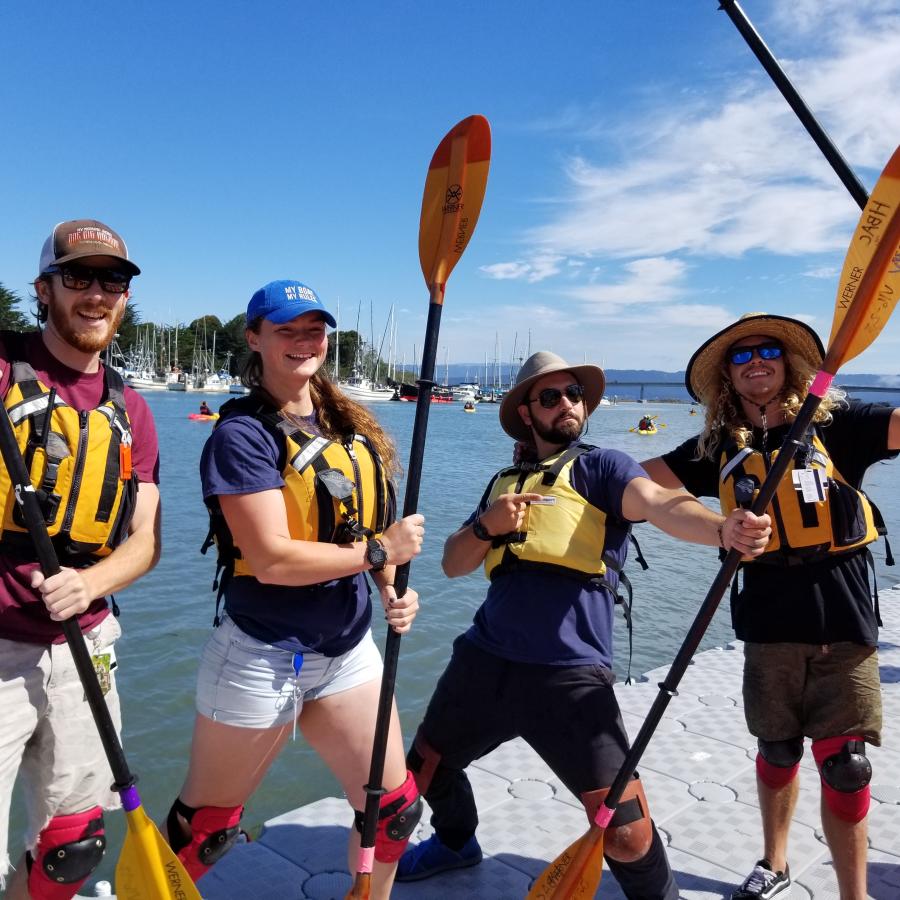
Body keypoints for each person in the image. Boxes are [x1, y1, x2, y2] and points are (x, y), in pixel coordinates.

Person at [396, 351, 771, 898]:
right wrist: (487, 523)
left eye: (575, 394)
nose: (567, 403)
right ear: (527, 413)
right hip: (484, 660)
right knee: (424, 768)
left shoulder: (604, 467)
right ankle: (457, 843)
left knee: (626, 833)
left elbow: (661, 502)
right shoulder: (504, 482)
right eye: (550, 396)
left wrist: (721, 529)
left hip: (568, 677)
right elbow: (454, 564)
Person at [165, 280, 425, 900]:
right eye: (286, 329)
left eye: (314, 329)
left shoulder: (349, 426)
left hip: (345, 650)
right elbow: (272, 559)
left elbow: (362, 532)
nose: (304, 341)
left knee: (393, 813)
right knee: (206, 832)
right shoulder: (242, 436)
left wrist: (392, 586)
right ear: (254, 339)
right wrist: (383, 551)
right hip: (261, 655)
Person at [642, 312, 900, 900]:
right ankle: (775, 863)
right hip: (767, 622)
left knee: (846, 766)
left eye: (768, 351)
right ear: (728, 380)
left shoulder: (843, 426)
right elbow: (637, 487)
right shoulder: (713, 450)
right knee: (777, 749)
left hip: (843, 618)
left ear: (790, 365)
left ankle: (854, 894)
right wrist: (717, 527)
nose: (756, 360)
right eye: (740, 356)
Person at [0, 220, 161, 899]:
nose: (97, 294)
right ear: (43, 290)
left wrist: (90, 582)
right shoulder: (5, 367)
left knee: (73, 848)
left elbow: (145, 540)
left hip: (84, 645)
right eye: (78, 277)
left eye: (113, 280)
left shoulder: (132, 409)